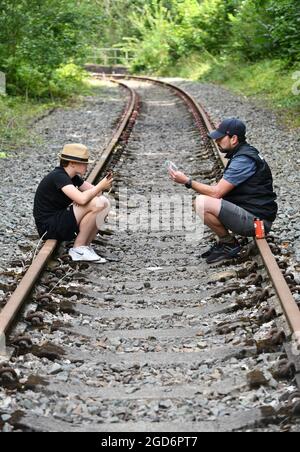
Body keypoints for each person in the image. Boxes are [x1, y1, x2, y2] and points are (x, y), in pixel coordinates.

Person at [169, 118, 278, 264]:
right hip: (253, 213)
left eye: (220, 138)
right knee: (203, 201)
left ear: (233, 139)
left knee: (202, 203)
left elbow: (216, 193)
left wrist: (187, 181)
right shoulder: (244, 153)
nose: (217, 141)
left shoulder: (243, 160)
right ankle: (227, 243)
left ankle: (229, 245)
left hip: (257, 221)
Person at [33, 143, 113, 263]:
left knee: (104, 202)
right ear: (72, 163)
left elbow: (97, 194)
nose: (87, 165)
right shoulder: (58, 176)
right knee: (97, 204)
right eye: (84, 163)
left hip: (59, 219)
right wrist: (97, 188)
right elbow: (82, 199)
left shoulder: (72, 177)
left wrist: (96, 191)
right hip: (49, 226)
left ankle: (85, 246)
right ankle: (78, 249)